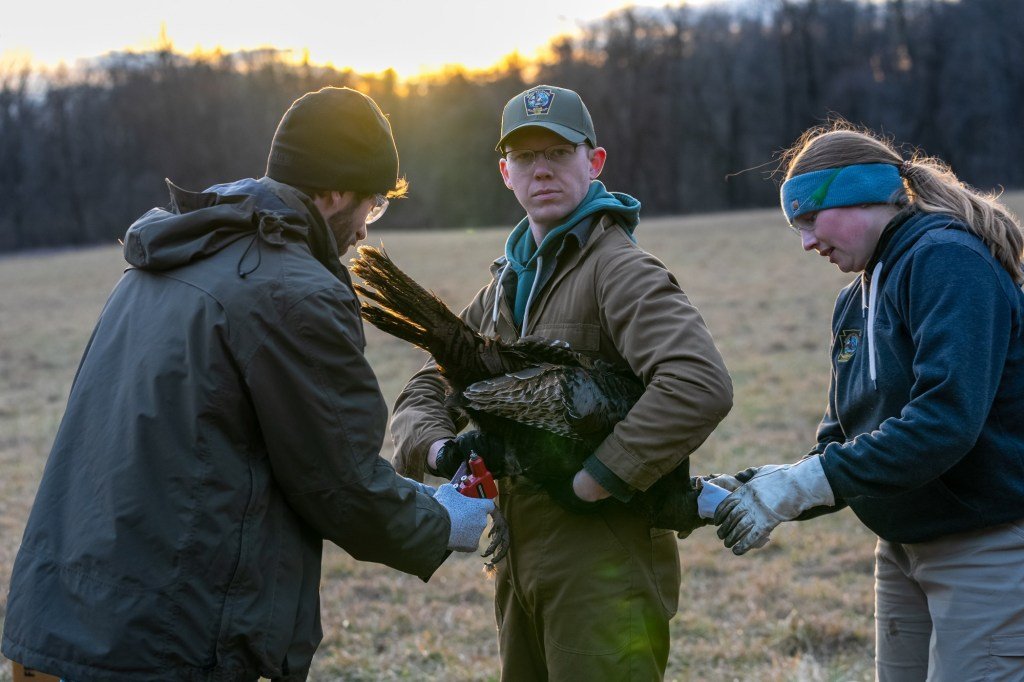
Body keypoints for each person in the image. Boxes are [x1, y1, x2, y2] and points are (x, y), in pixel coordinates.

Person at [1, 87, 495, 682]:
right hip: (166, 637)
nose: (366, 230)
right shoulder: (293, 292)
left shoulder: (172, 256)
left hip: (66, 615)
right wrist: (444, 520)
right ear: (334, 193)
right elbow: (340, 481)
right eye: (372, 205)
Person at [390, 84, 734, 680]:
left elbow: (698, 383)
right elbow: (424, 388)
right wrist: (444, 451)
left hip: (603, 557)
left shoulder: (618, 269)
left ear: (594, 161)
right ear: (506, 173)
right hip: (518, 555)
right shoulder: (505, 284)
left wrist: (596, 479)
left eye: (558, 152)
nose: (541, 170)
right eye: (525, 157)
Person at [713, 123, 1024, 680]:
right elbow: (841, 441)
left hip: (985, 548)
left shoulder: (947, 260)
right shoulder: (852, 300)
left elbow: (945, 422)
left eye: (810, 219)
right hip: (900, 547)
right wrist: (760, 487)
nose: (807, 243)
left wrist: (803, 485)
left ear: (861, 196)